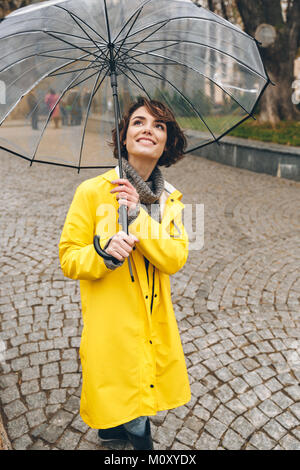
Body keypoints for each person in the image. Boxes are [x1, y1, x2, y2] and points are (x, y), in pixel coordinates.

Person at [59, 97, 191, 450]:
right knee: (129, 399)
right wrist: (102, 253)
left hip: (154, 318)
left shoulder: (173, 201)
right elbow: (69, 257)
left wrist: (138, 216)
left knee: (139, 385)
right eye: (139, 122)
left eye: (159, 126)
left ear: (168, 143)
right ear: (124, 136)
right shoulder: (92, 192)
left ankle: (111, 431)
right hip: (113, 323)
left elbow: (176, 258)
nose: (148, 129)